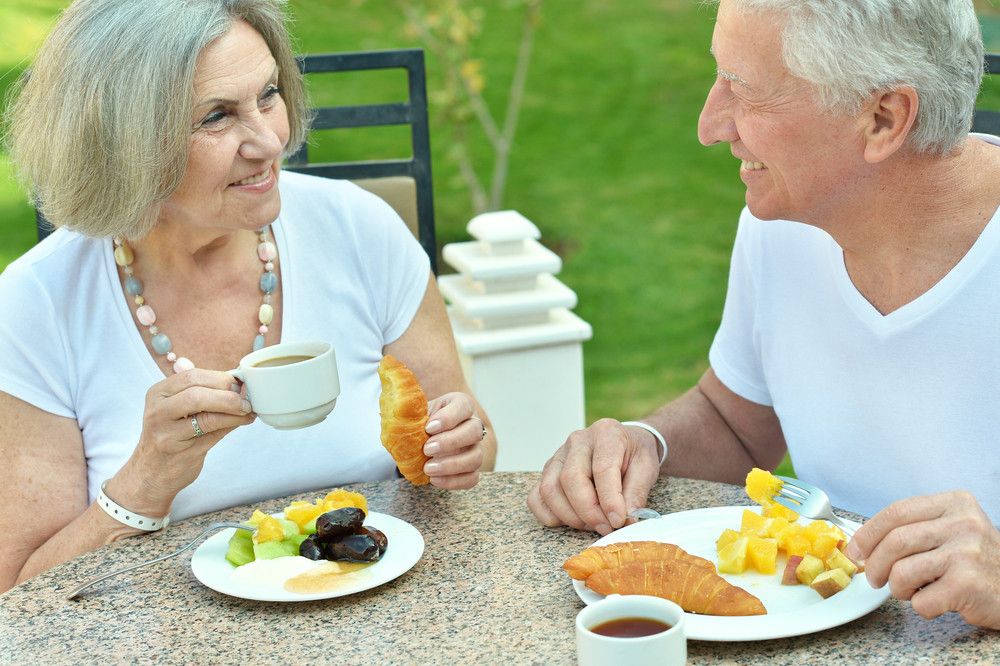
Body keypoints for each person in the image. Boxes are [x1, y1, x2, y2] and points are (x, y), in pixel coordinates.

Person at [529, 0, 1000, 629]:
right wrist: (644, 445)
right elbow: (736, 423)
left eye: (743, 90)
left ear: (884, 118)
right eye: (717, 76)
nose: (709, 124)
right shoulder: (782, 223)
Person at [0, 0, 495, 593]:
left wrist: (464, 448)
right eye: (216, 117)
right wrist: (144, 483)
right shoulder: (37, 306)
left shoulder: (361, 230)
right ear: (121, 144)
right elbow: (21, 597)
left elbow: (471, 453)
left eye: (268, 95)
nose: (269, 141)